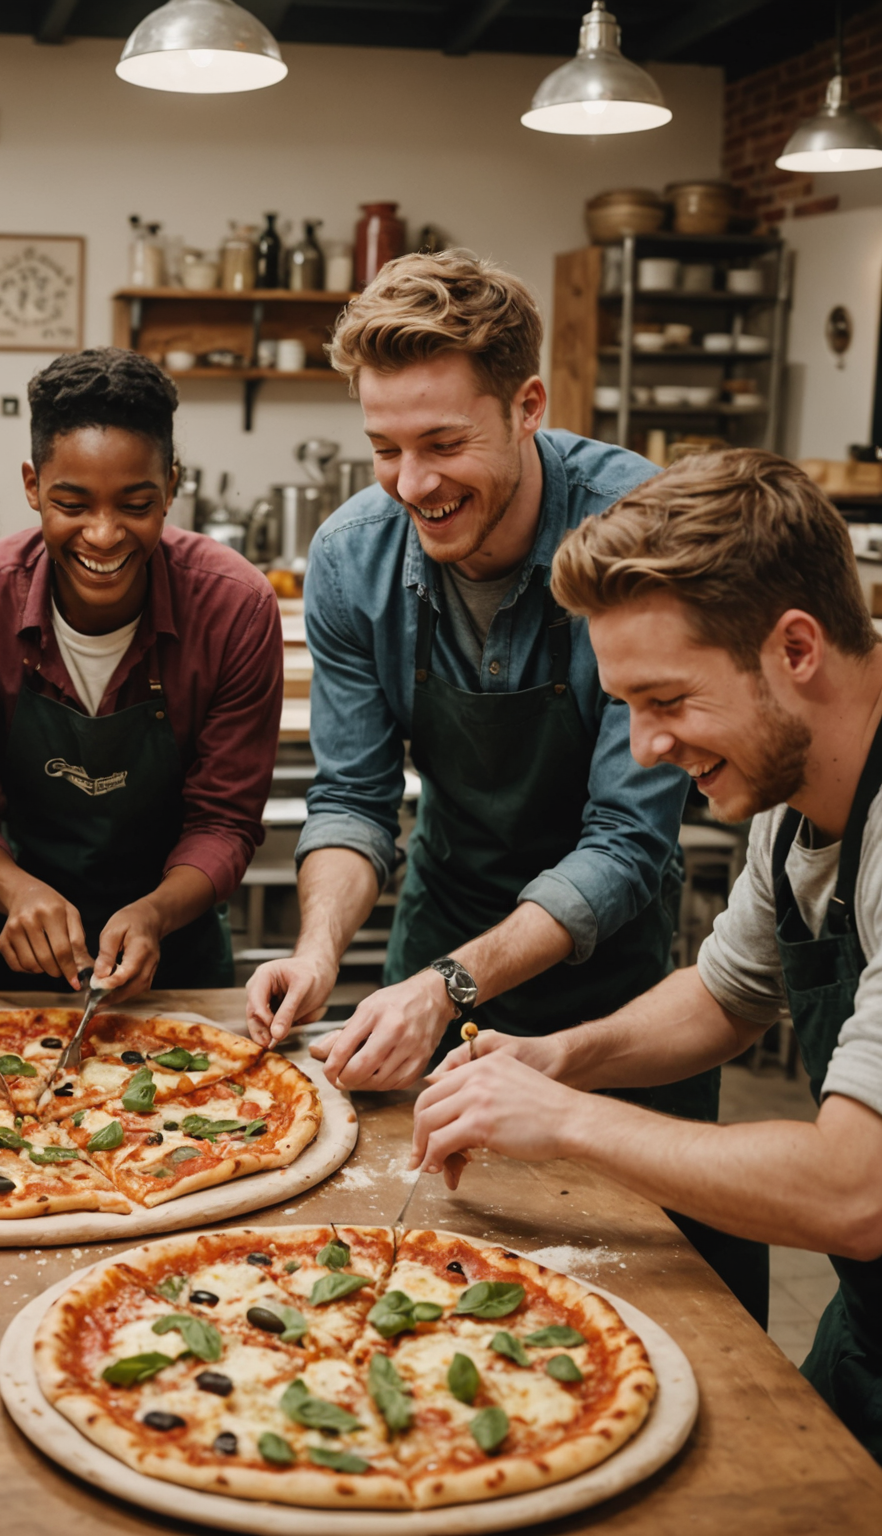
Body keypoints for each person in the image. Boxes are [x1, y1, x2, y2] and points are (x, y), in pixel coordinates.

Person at [244, 252, 765, 1321]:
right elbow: (352, 798)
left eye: (444, 444)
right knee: (422, 1281)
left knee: (654, 1297)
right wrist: (319, 949)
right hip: (442, 927)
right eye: (384, 447)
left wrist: (449, 984)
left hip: (620, 983)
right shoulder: (352, 557)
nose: (413, 485)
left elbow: (627, 839)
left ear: (529, 405)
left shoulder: (638, 535)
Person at [411, 449, 882, 1458]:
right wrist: (555, 1058)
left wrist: (568, 1121)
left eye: (667, 699)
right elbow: (725, 996)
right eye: (626, 704)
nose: (646, 746)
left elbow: (856, 1190)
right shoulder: (790, 798)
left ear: (796, 647)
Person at [0, 348, 283, 998]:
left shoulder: (234, 607)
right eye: (73, 504)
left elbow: (224, 822)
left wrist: (154, 913)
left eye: (136, 503)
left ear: (172, 485)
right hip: (1, 955)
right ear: (32, 485)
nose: (105, 534)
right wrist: (17, 890)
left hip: (175, 953)